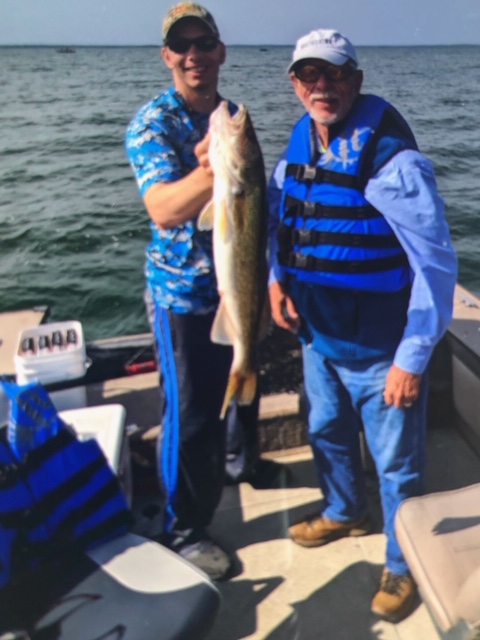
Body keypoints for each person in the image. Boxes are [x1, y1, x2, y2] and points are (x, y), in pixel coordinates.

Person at [267, 29, 457, 622]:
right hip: (317, 339)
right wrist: (276, 279)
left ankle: (404, 565)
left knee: (397, 465)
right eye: (308, 76)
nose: (321, 86)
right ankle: (346, 509)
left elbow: (435, 266)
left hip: (381, 349)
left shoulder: (394, 163)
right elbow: (280, 225)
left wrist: (412, 356)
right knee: (324, 431)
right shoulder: (297, 147)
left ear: (356, 80)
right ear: (295, 84)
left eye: (334, 74)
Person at [125, 2, 262, 580]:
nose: (193, 55)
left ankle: (239, 468)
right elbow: (162, 208)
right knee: (192, 415)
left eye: (203, 42)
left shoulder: (232, 117)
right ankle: (185, 532)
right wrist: (213, 172)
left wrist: (273, 276)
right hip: (182, 298)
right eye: (181, 47)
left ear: (221, 51)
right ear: (167, 58)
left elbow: (257, 207)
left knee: (245, 396)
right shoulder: (152, 122)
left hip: (241, 285)